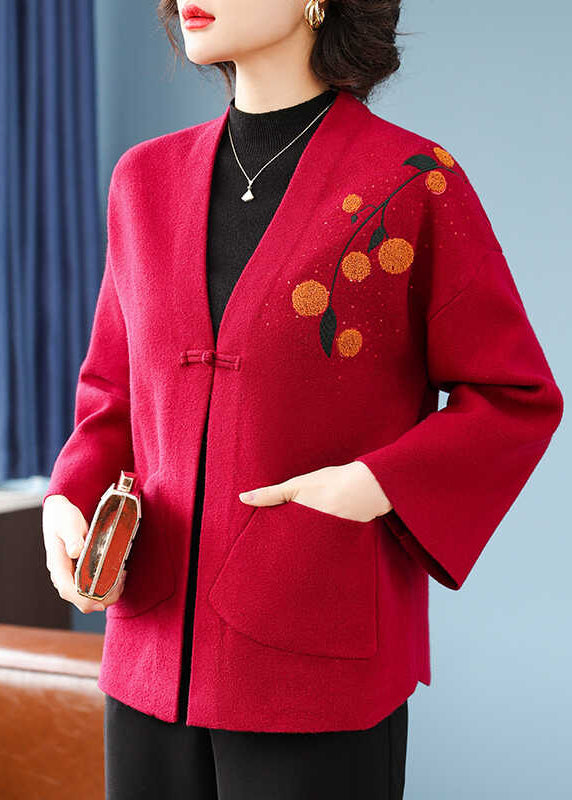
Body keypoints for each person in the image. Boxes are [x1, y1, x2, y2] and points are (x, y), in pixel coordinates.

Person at [41, 2, 564, 799]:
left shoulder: (411, 182)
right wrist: (69, 499)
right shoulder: (143, 180)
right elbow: (114, 391)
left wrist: (371, 485)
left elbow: (514, 396)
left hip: (315, 658)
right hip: (148, 645)